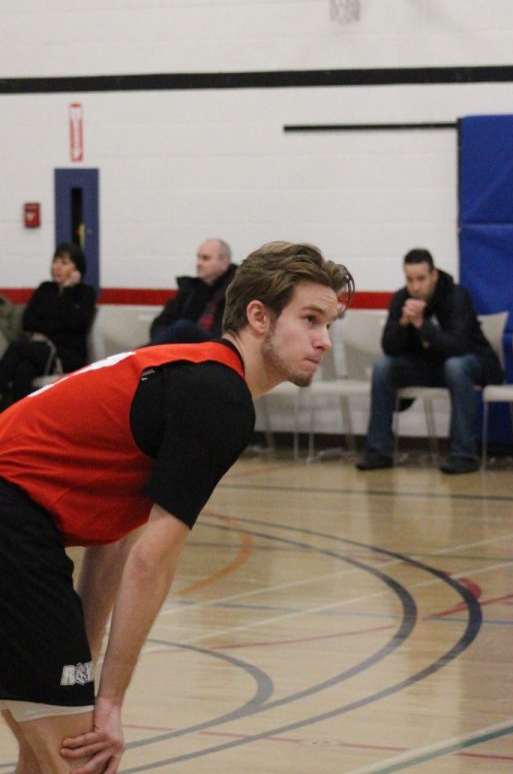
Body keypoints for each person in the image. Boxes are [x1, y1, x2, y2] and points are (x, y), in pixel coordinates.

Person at [0, 241, 352, 774]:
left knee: (47, 750)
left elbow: (115, 541)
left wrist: (89, 671)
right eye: (310, 319)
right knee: (81, 760)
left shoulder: (192, 375)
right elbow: (152, 561)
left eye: (329, 324)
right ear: (258, 316)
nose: (323, 340)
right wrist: (111, 704)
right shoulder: (219, 395)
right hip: (10, 525)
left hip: (18, 527)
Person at [356, 248, 503, 475]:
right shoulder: (401, 298)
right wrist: (404, 322)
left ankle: (463, 454)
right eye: (410, 279)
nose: (415, 286)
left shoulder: (456, 297)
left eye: (421, 279)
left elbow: (458, 346)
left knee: (455, 366)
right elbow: (389, 347)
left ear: (433, 275)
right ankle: (378, 451)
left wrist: (422, 325)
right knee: (383, 366)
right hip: (429, 367)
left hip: (472, 362)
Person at [0, 243, 96, 409]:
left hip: (67, 353)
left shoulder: (85, 293)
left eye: (64, 263)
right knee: (24, 369)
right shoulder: (45, 288)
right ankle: (18, 418)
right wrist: (58, 325)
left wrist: (67, 290)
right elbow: (28, 322)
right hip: (39, 349)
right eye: (56, 261)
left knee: (16, 347)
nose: (57, 267)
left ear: (77, 269)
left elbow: (76, 323)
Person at [147, 238, 237, 345]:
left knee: (184, 328)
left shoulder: (237, 289)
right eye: (198, 257)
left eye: (205, 258)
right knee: (181, 329)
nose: (199, 263)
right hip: (185, 350)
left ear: (224, 262)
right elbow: (161, 322)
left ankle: (136, 357)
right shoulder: (192, 289)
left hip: (218, 345)